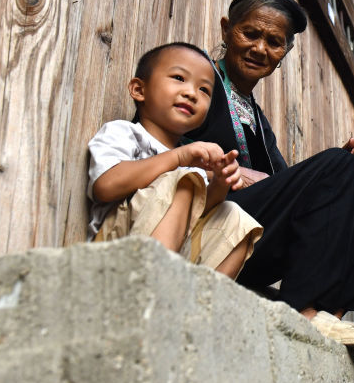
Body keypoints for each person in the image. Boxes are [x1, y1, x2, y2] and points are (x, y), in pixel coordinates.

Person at [186, 0, 354, 363]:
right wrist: (227, 171)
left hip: (249, 239)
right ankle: (303, 311)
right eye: (249, 34)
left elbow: (288, 191)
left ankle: (331, 317)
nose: (260, 49)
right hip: (207, 229)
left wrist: (347, 170)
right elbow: (154, 140)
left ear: (283, 53)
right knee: (336, 164)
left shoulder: (255, 116)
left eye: (274, 42)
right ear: (225, 29)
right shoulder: (199, 81)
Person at [87, 42, 262, 280]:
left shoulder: (191, 163)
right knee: (183, 180)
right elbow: (105, 186)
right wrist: (178, 158)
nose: (191, 93)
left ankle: (201, 309)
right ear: (139, 89)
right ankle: (154, 291)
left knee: (237, 218)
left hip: (175, 262)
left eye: (204, 90)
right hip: (116, 255)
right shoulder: (124, 133)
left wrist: (220, 182)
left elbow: (200, 214)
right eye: (179, 78)